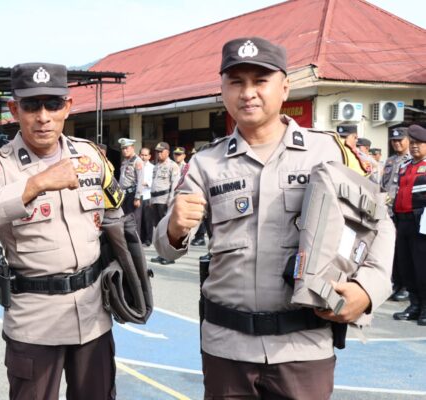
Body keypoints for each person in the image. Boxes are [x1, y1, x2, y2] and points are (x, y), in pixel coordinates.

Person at [154, 36, 393, 399]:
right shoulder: (205, 163)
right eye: (236, 82)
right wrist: (173, 228)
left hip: (303, 347)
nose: (248, 93)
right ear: (222, 91)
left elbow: (380, 226)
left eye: (260, 81)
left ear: (284, 88)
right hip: (227, 349)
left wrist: (368, 290)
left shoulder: (328, 151)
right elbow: (168, 251)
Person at [0, 63, 116, 400]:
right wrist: (35, 185)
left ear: (68, 107)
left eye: (53, 104)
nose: (43, 116)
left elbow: (117, 217)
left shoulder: (89, 155)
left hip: (92, 318)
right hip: (34, 323)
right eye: (31, 105)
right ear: (15, 109)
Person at [392, 124, 426, 326]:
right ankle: (414, 305)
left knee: (423, 267)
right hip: (403, 221)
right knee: (407, 266)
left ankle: (425, 308)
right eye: (412, 143)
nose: (414, 147)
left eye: (419, 143)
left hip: (421, 221)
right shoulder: (405, 166)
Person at [382, 127, 412, 302]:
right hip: (389, 212)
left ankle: (407, 286)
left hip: (404, 212)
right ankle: (397, 283)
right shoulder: (390, 161)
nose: (397, 143)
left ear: (408, 140)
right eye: (394, 140)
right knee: (393, 251)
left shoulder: (412, 160)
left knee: (405, 252)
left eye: (400, 140)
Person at [149, 142, 179, 265]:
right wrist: (151, 199)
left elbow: (175, 185)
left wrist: (171, 201)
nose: (159, 154)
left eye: (161, 151)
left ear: (167, 152)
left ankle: (170, 256)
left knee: (167, 229)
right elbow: (154, 184)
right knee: (158, 229)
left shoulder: (173, 166)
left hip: (165, 199)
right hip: (155, 200)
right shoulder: (156, 166)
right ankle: (162, 253)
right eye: (157, 151)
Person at [118, 137, 143, 217]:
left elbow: (140, 180)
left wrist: (137, 197)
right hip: (124, 195)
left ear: (132, 148)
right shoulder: (125, 161)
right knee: (125, 219)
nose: (124, 151)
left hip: (133, 194)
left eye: (126, 148)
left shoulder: (137, 161)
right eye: (122, 149)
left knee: (133, 221)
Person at [138, 147, 155, 246]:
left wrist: (146, 183)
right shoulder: (136, 165)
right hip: (138, 195)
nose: (143, 157)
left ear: (149, 156)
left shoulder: (153, 167)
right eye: (142, 155)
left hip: (147, 195)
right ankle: (141, 239)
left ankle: (148, 240)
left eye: (145, 155)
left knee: (147, 219)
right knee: (139, 219)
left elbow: (155, 182)